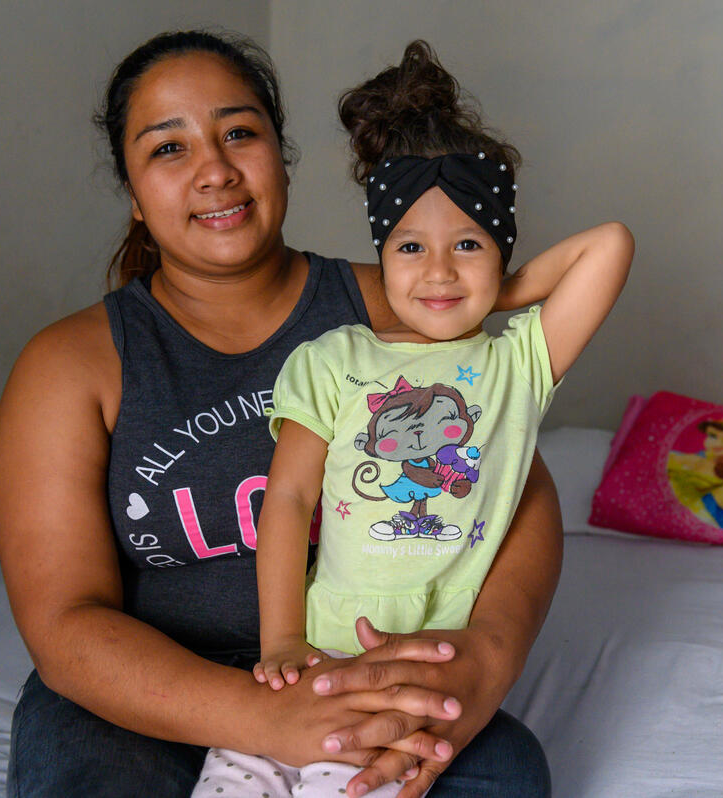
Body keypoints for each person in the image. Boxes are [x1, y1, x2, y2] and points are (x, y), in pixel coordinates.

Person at [0, 30, 570, 798]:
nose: (216, 170)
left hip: (360, 666)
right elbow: (66, 625)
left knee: (505, 776)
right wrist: (264, 719)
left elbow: (517, 489)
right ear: (132, 194)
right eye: (169, 149)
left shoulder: (405, 301)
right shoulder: (72, 363)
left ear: (280, 154)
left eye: (238, 133)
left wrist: (489, 656)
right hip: (143, 696)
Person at [190, 40, 633, 798]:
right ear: (382, 254)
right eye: (411, 248)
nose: (437, 271)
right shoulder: (331, 359)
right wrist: (282, 641)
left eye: (467, 245)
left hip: (409, 683)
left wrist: (490, 293)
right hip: (302, 667)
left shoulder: (516, 364)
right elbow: (289, 499)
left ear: (500, 255)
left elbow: (610, 245)